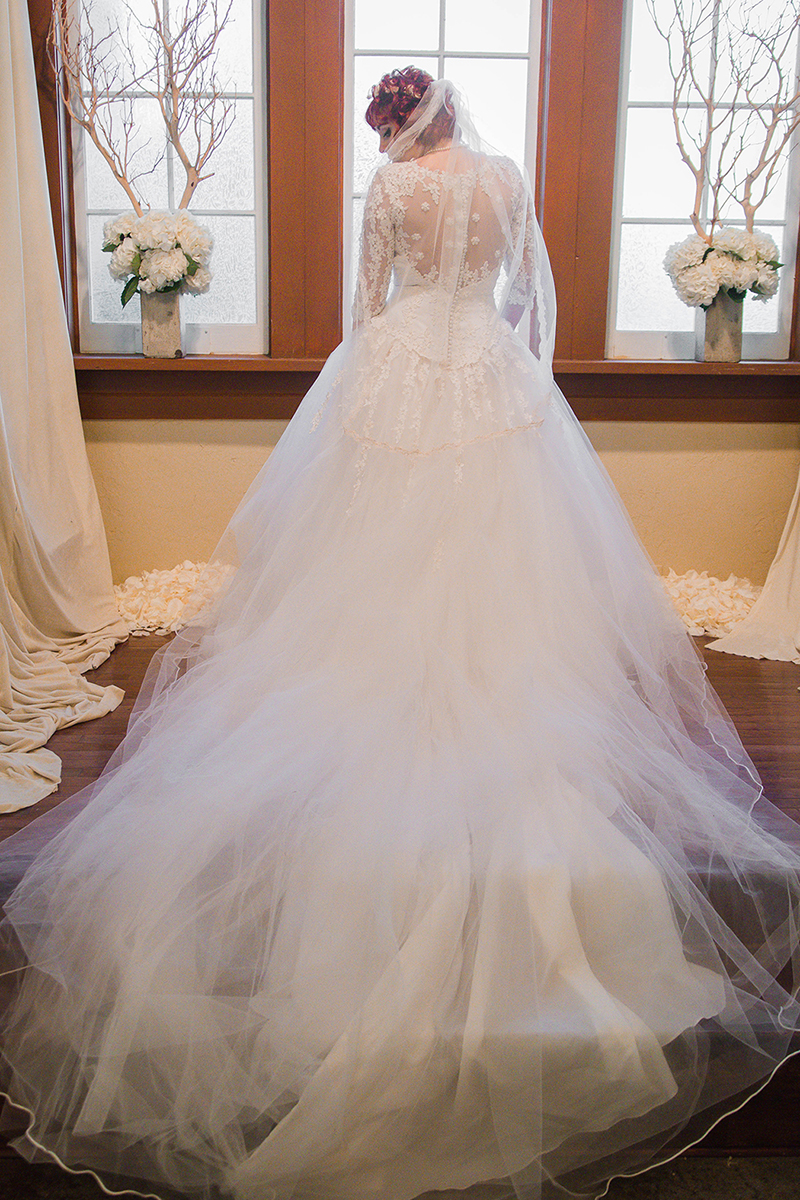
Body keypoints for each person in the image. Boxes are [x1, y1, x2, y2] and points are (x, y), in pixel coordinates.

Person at [1, 67, 800, 1200]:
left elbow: (365, 308)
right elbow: (532, 291)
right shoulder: (507, 176)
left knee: (365, 551)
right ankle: (504, 679)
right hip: (490, 372)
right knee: (504, 550)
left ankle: (366, 682)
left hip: (397, 375)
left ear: (392, 125)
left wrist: (378, 374)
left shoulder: (385, 191)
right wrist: (502, 354)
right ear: (449, 113)